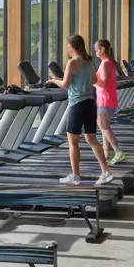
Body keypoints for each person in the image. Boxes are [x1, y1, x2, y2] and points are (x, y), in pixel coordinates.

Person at [46, 34, 115, 186]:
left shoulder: (72, 62)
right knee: (91, 139)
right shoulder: (88, 61)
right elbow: (94, 80)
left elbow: (65, 85)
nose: (67, 49)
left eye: (68, 46)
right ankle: (106, 171)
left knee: (73, 141)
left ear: (71, 47)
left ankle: (76, 176)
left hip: (77, 104)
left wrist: (53, 80)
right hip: (90, 103)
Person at [94, 39, 126, 165]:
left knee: (104, 126)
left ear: (103, 49)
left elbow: (104, 82)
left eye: (97, 49)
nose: (96, 51)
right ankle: (107, 153)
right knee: (104, 127)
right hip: (106, 99)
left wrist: (91, 79)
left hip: (105, 100)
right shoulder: (106, 63)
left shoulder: (106, 64)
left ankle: (118, 152)